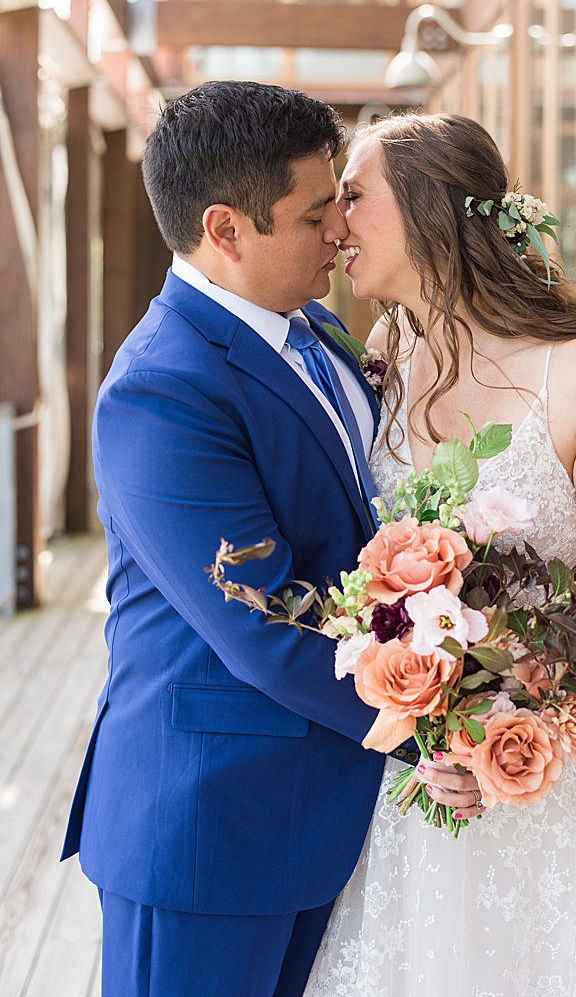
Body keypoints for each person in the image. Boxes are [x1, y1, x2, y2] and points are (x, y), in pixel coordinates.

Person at [301, 112, 576, 996]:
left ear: (432, 210)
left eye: (354, 197)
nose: (336, 221)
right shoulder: (387, 357)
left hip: (553, 782)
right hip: (421, 785)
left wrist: (506, 739)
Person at [64, 81, 392, 997]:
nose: (340, 232)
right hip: (205, 827)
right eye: (315, 213)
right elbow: (267, 616)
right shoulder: (161, 389)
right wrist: (438, 731)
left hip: (316, 811)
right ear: (227, 229)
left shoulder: (318, 327)